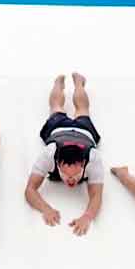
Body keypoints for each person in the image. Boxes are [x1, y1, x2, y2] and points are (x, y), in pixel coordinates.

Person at [24, 73, 104, 236]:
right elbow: (30, 189)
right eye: (66, 175)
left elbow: (96, 195)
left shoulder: (93, 158)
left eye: (75, 176)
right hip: (58, 129)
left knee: (83, 109)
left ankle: (79, 83)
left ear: (83, 165)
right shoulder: (49, 154)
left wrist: (87, 217)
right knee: (56, 107)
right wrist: (45, 209)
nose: (70, 181)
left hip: (84, 132)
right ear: (57, 164)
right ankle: (58, 83)